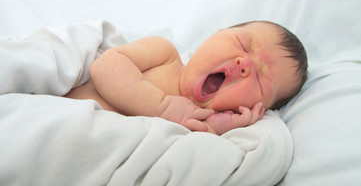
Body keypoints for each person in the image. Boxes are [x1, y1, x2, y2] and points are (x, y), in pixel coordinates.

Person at [65, 21, 308, 135]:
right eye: (243, 44)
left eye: (260, 81)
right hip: (60, 109)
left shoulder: (200, 121)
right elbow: (106, 66)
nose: (244, 65)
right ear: (215, 33)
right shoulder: (164, 55)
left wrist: (213, 129)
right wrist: (163, 107)